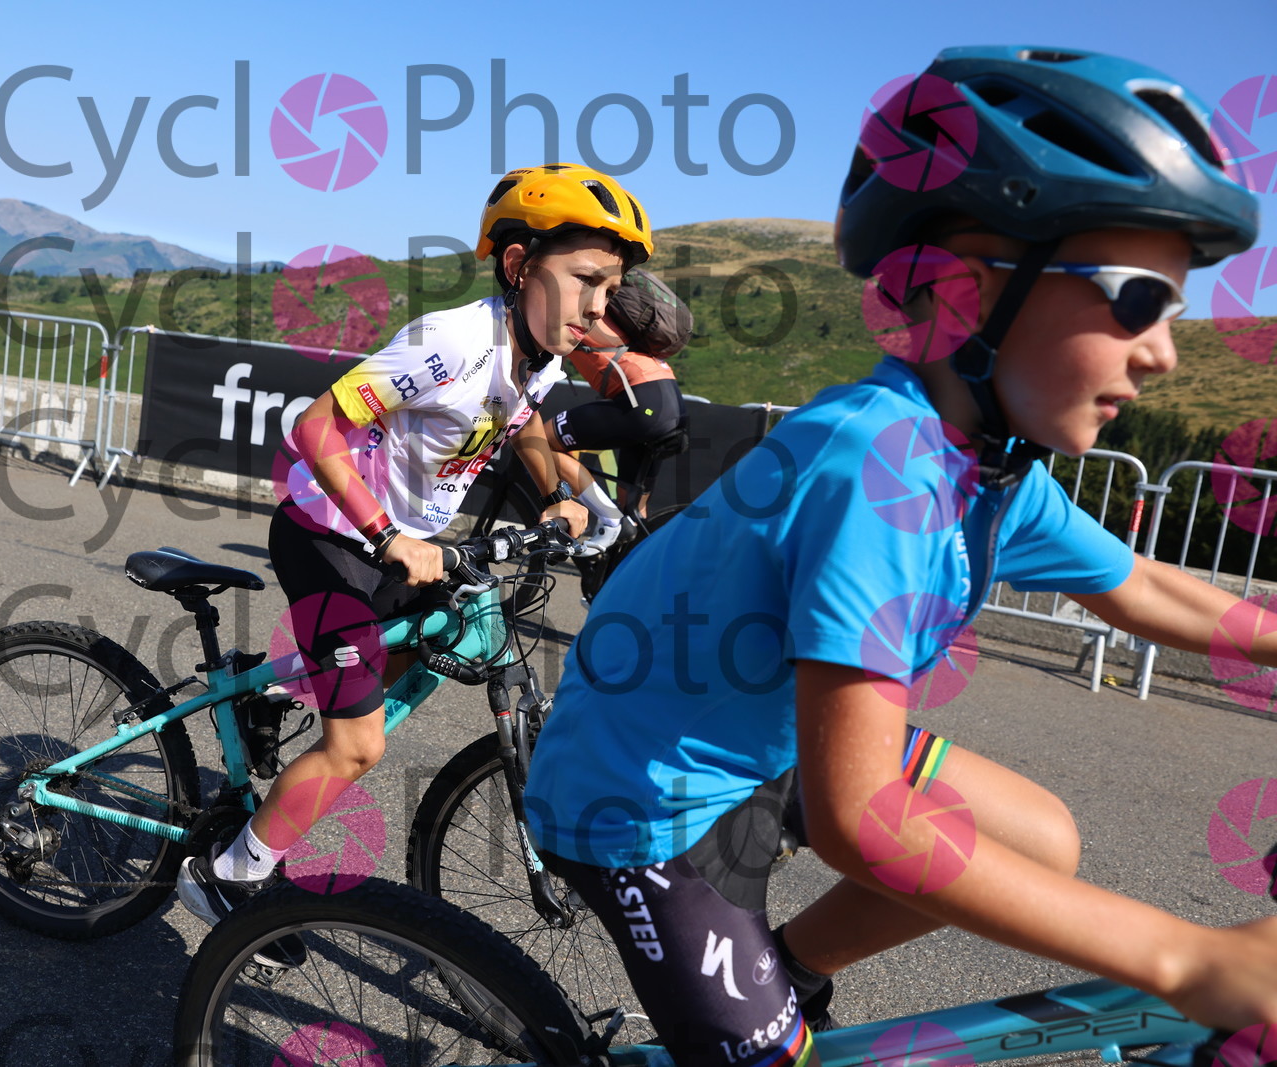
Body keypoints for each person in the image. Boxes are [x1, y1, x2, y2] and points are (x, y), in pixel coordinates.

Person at [522, 46, 1275, 1067]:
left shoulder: (991, 465)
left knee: (1040, 838)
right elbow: (861, 819)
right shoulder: (878, 464)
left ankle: (781, 974)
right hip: (645, 792)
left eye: (1175, 312)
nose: (1163, 352)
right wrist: (1187, 958)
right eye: (1137, 300)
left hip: (758, 735)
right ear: (965, 294)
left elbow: (1143, 588)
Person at [178, 162, 654, 925]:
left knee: (427, 643)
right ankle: (225, 874)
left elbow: (524, 423)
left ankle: (272, 693)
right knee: (358, 745)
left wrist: (574, 499)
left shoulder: (537, 351)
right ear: (519, 265)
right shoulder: (452, 343)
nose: (599, 307)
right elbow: (315, 427)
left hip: (404, 544)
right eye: (585, 280)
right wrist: (388, 533)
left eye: (611, 288)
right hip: (330, 534)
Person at [547, 266, 693, 553]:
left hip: (642, 401)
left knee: (540, 441)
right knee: (633, 512)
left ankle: (608, 520)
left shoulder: (580, 308)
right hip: (670, 400)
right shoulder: (611, 312)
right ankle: (623, 567)